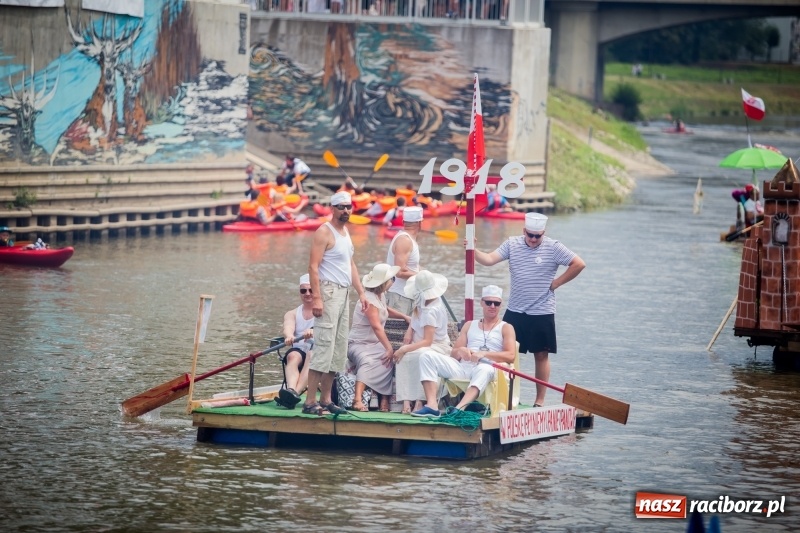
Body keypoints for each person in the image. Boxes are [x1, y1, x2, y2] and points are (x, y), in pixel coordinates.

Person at [473, 212, 585, 407]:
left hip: (542, 310)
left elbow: (579, 264)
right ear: (524, 231)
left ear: (544, 233)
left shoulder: (554, 247)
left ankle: (539, 400)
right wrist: (473, 249)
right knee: (504, 352)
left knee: (541, 354)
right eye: (530, 235)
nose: (533, 240)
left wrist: (557, 283)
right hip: (515, 309)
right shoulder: (512, 244)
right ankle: (503, 398)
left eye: (538, 236)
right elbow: (489, 259)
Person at [305, 191, 368, 416]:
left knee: (339, 348)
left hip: (344, 293)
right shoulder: (324, 232)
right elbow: (313, 267)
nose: (346, 211)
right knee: (323, 347)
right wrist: (317, 298)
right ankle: (310, 401)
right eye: (341, 207)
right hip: (329, 291)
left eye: (349, 207)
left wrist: (361, 292)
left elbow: (350, 264)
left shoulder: (346, 232)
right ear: (332, 208)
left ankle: (326, 399)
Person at [413, 285, 516, 417]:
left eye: (496, 303)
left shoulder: (506, 327)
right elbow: (453, 353)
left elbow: (511, 355)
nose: (492, 306)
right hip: (464, 367)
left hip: (489, 368)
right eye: (488, 302)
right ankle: (432, 405)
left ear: (501, 305)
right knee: (426, 356)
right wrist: (461, 350)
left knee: (484, 368)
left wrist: (484, 354)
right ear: (482, 303)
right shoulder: (469, 325)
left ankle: (460, 408)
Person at [346, 263, 407, 412]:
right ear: (384, 283)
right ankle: (357, 399)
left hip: (374, 343)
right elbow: (376, 326)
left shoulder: (381, 296)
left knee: (388, 359)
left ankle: (384, 399)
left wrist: (404, 316)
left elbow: (385, 310)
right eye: (391, 278)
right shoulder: (368, 298)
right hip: (358, 343)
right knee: (370, 360)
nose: (393, 280)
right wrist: (389, 347)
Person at [393, 270, 452, 414]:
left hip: (436, 346)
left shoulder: (432, 310)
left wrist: (405, 348)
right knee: (403, 359)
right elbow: (415, 318)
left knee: (419, 357)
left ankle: (420, 401)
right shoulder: (421, 300)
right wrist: (409, 332)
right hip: (420, 342)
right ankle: (406, 401)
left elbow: (428, 341)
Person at [275, 274, 316, 410]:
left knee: (311, 355)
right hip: (298, 349)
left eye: (311, 290)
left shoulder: (324, 312)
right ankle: (291, 390)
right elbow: (288, 326)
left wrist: (312, 330)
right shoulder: (292, 313)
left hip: (317, 350)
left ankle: (294, 394)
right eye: (303, 290)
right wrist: (289, 336)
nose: (307, 294)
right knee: (293, 355)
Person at [385, 206, 422, 316]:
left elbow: (412, 266)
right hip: (399, 297)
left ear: (403, 222)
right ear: (420, 223)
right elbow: (399, 272)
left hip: (408, 296)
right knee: (395, 333)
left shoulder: (409, 240)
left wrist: (425, 273)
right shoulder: (404, 240)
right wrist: (421, 276)